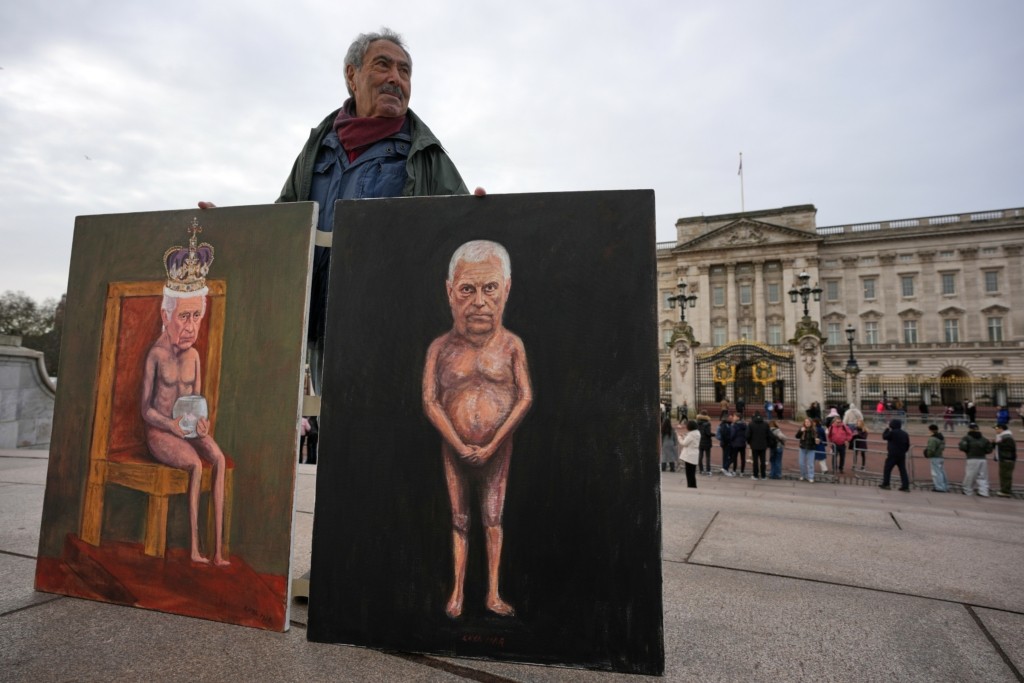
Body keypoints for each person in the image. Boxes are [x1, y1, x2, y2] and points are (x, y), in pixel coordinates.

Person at [271, 28, 478, 393]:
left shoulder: (427, 156)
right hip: (323, 330)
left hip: (396, 332)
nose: (395, 78)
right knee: (328, 423)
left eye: (404, 71)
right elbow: (281, 223)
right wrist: (229, 228)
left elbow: (465, 237)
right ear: (351, 75)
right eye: (383, 65)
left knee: (386, 420)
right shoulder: (316, 150)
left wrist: (483, 216)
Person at [423, 240, 532, 618]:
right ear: (450, 291)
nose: (480, 302)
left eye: (490, 288)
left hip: (497, 448)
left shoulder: (512, 346)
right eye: (468, 289)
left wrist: (492, 444)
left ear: (507, 288)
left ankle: (492, 593)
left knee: (493, 519)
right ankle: (457, 592)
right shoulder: (440, 348)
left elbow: (525, 397)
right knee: (459, 518)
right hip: (453, 447)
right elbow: (430, 401)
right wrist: (456, 443)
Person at [141, 223, 229, 566]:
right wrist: (171, 426)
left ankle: (218, 550)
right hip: (161, 433)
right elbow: (146, 411)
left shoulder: (194, 356)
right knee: (195, 464)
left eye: (196, 316)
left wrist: (202, 425)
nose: (191, 326)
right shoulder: (156, 355)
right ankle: (195, 547)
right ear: (166, 316)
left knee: (218, 458)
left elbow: (198, 402)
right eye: (183, 317)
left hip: (189, 429)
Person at [959, 423, 992, 497]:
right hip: (983, 459)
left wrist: (967, 450)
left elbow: (962, 447)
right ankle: (983, 491)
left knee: (970, 475)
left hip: (972, 458)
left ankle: (967, 490)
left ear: (970, 429)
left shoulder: (966, 438)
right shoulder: (984, 439)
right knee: (983, 476)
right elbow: (989, 450)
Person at [879, 419, 911, 492]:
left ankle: (886, 484)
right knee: (903, 470)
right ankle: (905, 486)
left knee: (887, 469)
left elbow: (884, 436)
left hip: (892, 454)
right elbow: (907, 445)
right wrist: (903, 451)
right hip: (902, 454)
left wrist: (887, 429)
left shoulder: (892, 432)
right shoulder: (905, 434)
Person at [993, 423, 1016, 498]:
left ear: (1001, 428)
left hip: (1007, 459)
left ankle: (1006, 491)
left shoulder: (1007, 437)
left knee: (1006, 476)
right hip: (1004, 459)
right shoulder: (1002, 437)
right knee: (1003, 475)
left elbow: (1010, 448)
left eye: (996, 428)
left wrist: (998, 443)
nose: (995, 430)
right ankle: (1004, 490)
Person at [923, 424, 948, 492]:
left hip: (935, 457)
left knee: (936, 473)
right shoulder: (941, 437)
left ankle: (939, 487)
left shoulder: (933, 439)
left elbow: (931, 449)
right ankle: (945, 486)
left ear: (931, 430)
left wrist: (927, 454)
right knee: (942, 472)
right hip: (940, 456)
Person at [746, 413, 770, 480]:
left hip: (754, 445)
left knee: (755, 461)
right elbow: (769, 435)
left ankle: (755, 475)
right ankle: (763, 475)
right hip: (763, 445)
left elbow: (748, 435)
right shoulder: (766, 424)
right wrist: (767, 444)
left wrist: (749, 442)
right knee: (763, 461)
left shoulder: (751, 424)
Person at [794, 418, 818, 482]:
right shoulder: (802, 429)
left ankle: (811, 477)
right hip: (802, 448)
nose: (807, 423)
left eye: (808, 422)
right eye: (806, 422)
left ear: (811, 423)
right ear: (804, 423)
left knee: (810, 464)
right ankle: (803, 475)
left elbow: (818, 438)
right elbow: (797, 436)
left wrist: (817, 440)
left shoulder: (814, 430)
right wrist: (800, 431)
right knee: (801, 463)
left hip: (811, 449)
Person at [680, 420, 701, 488]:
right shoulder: (697, 433)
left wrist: (679, 438)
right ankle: (693, 485)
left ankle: (690, 486)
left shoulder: (691, 434)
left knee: (689, 472)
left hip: (689, 455)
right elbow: (690, 441)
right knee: (692, 472)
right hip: (694, 454)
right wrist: (685, 437)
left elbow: (684, 443)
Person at [696, 412, 714, 476]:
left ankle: (701, 470)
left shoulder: (697, 423)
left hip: (700, 441)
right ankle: (708, 470)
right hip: (706, 441)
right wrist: (714, 434)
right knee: (707, 457)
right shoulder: (707, 424)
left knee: (700, 456)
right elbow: (708, 433)